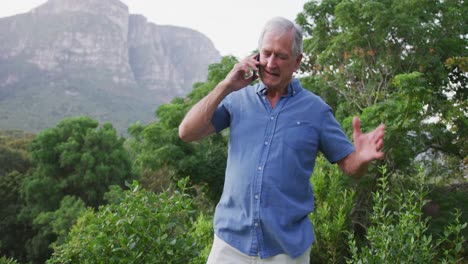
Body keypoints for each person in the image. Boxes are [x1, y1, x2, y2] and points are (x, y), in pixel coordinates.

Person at [178, 17, 385, 264]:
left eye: (281, 56)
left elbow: (350, 167)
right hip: (230, 246)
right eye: (266, 53)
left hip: (286, 251)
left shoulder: (316, 111)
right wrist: (226, 85)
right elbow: (187, 132)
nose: (271, 63)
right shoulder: (237, 99)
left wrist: (360, 159)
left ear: (297, 61)